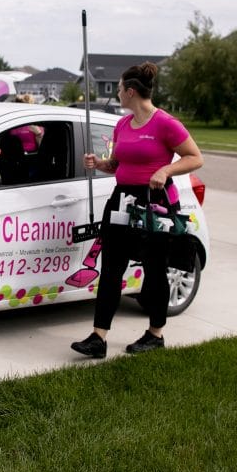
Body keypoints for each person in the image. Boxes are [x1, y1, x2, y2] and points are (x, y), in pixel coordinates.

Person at [70, 62, 203, 359]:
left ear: (130, 92)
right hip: (122, 201)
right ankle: (98, 337)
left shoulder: (166, 123)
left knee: (154, 270)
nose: (117, 93)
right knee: (111, 268)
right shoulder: (122, 125)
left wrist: (166, 170)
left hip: (154, 203)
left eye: (118, 89)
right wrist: (99, 164)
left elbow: (195, 157)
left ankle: (155, 334)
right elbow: (117, 164)